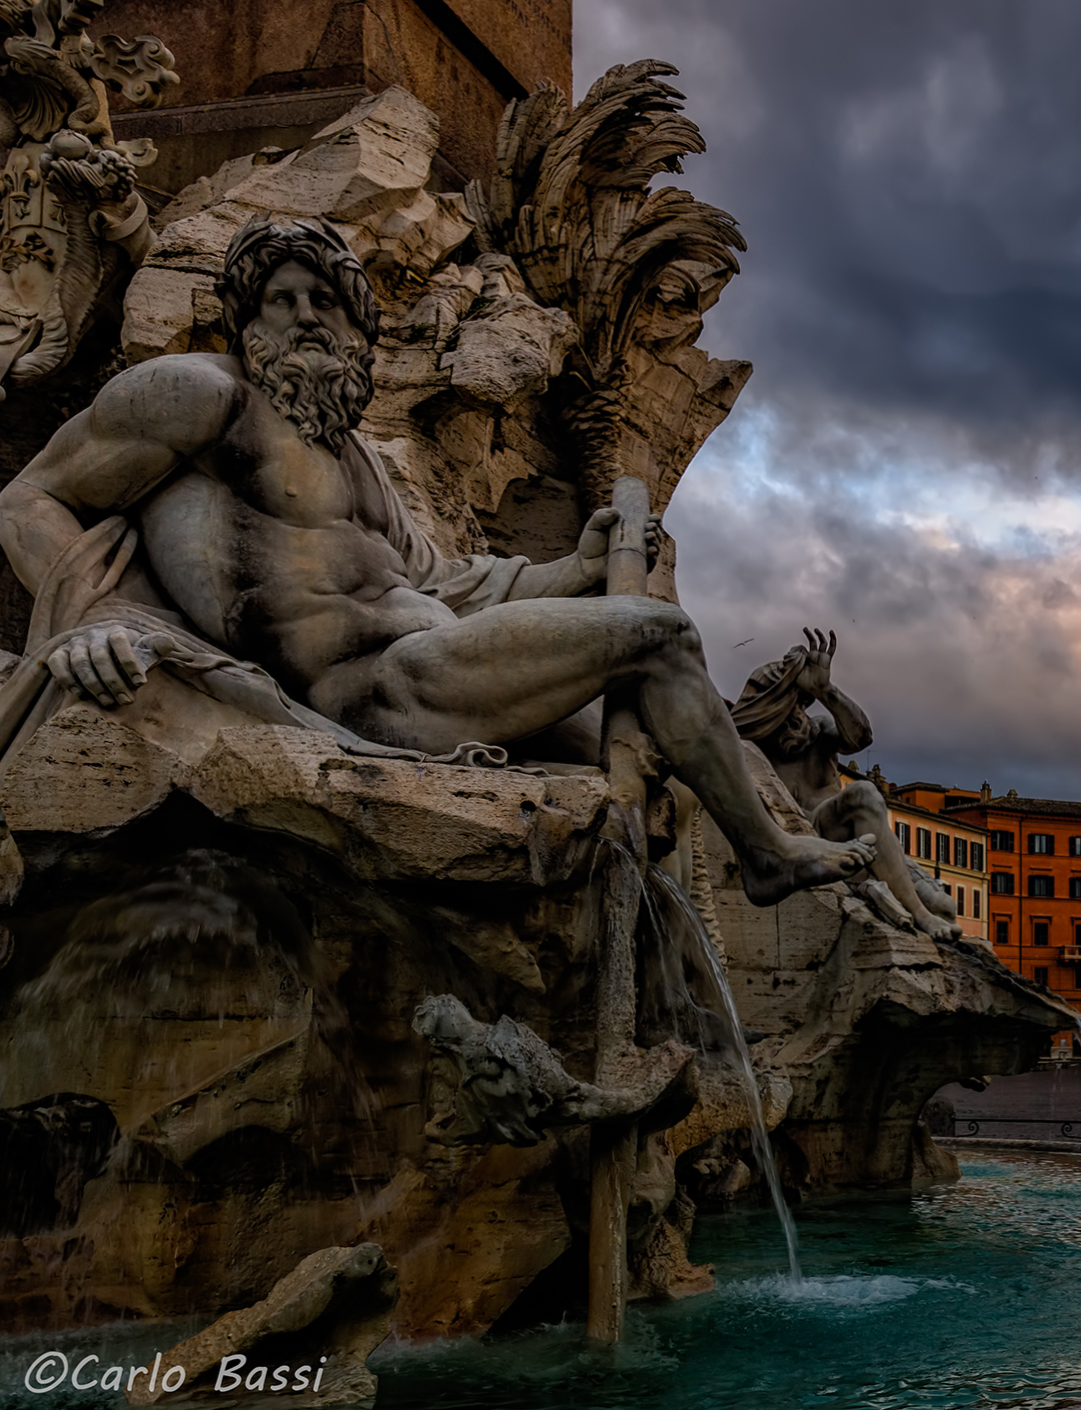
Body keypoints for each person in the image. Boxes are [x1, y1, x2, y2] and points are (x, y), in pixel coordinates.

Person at [0, 216, 871, 905]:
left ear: (354, 324)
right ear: (247, 317)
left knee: (669, 778)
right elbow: (27, 498)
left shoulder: (356, 456)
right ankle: (768, 859)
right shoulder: (199, 396)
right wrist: (94, 620)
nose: (305, 318)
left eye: (324, 303)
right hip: (374, 691)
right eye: (281, 300)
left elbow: (440, 584)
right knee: (661, 634)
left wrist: (575, 567)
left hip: (430, 658)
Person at [731, 630, 962, 943]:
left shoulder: (820, 733)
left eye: (797, 705)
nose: (793, 715)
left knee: (945, 906)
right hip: (801, 840)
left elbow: (861, 737)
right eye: (782, 705)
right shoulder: (749, 747)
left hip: (853, 837)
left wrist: (827, 691)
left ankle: (891, 896)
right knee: (865, 792)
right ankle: (917, 914)